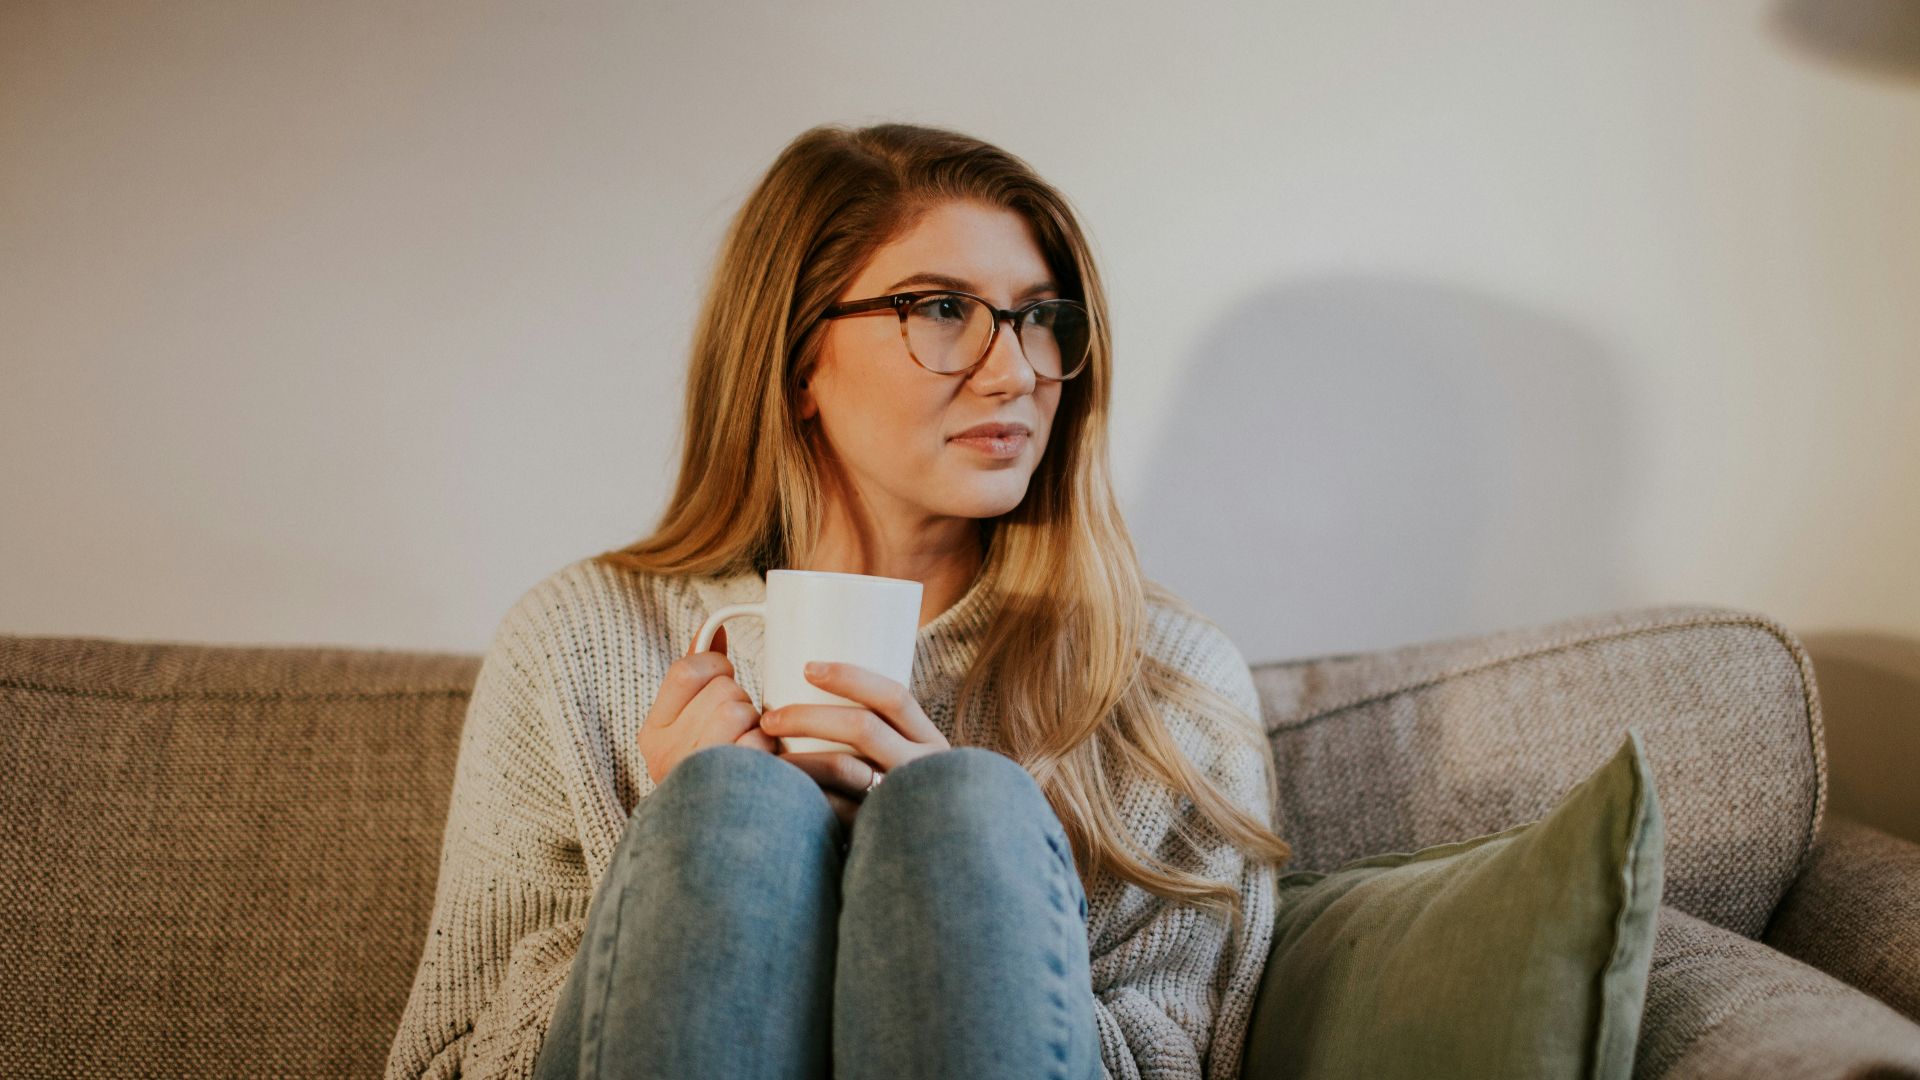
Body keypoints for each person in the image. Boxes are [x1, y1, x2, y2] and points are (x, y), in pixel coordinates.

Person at [382, 121, 1293, 1080]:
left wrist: (959, 893)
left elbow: (1188, 1061)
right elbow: (448, 1063)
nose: (1017, 370)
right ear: (799, 358)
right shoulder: (576, 642)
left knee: (963, 811)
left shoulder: (1165, 683)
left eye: (1039, 318)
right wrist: (685, 856)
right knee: (733, 809)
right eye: (944, 308)